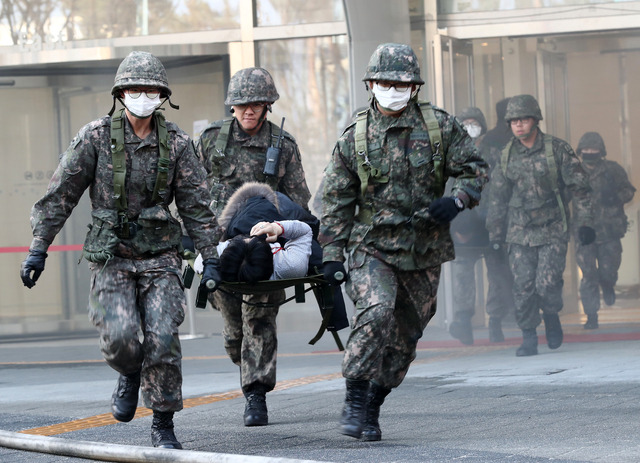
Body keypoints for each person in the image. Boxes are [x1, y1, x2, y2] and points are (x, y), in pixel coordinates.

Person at [18, 51, 222, 450]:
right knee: (120, 338)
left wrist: (210, 258)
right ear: (120, 93)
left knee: (163, 339)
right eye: (134, 88)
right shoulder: (94, 137)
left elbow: (197, 207)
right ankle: (129, 372)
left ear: (162, 94)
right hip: (110, 256)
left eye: (149, 89)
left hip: (160, 257)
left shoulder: (178, 144)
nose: (141, 95)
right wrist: (38, 249)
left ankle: (163, 423)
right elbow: (61, 195)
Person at [319, 42, 488, 442]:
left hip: (423, 247)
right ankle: (355, 397)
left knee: (407, 336)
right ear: (371, 84)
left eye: (401, 83)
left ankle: (374, 403)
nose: (392, 89)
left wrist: (458, 199)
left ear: (415, 87)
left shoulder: (440, 127)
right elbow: (334, 200)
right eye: (384, 82)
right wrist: (330, 255)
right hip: (371, 246)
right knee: (376, 312)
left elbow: (475, 170)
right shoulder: (354, 137)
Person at [196, 68, 312, 427]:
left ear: (268, 106)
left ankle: (256, 395)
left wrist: (289, 231)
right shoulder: (211, 141)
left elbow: (298, 197)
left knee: (259, 319)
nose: (250, 111)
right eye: (243, 104)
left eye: (258, 104)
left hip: (264, 250)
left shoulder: (284, 145)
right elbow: (191, 193)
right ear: (233, 106)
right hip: (222, 248)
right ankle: (244, 361)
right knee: (234, 332)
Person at [486, 94, 595, 357]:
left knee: (547, 284)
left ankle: (551, 315)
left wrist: (585, 223)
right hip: (519, 231)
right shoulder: (506, 155)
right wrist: (496, 232)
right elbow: (497, 197)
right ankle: (528, 337)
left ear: (535, 120)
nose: (518, 125)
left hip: (552, 228)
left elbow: (580, 188)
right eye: (513, 121)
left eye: (523, 119)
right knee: (523, 286)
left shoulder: (557, 149)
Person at [448, 106, 516, 345]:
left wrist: (498, 219)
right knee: (463, 273)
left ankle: (495, 321)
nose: (470, 126)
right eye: (465, 122)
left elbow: (503, 186)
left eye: (474, 122)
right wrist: (456, 220)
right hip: (465, 225)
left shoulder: (495, 153)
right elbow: (446, 189)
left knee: (497, 273)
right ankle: (464, 320)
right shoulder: (452, 155)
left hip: (492, 222)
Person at [574, 132, 635, 329]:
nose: (590, 152)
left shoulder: (613, 170)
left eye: (594, 149)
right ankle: (592, 315)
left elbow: (628, 190)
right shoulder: (573, 172)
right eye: (586, 149)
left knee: (609, 269)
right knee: (589, 274)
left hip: (609, 230)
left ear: (601, 151)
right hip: (585, 232)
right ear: (580, 151)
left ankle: (608, 285)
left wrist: (615, 198)